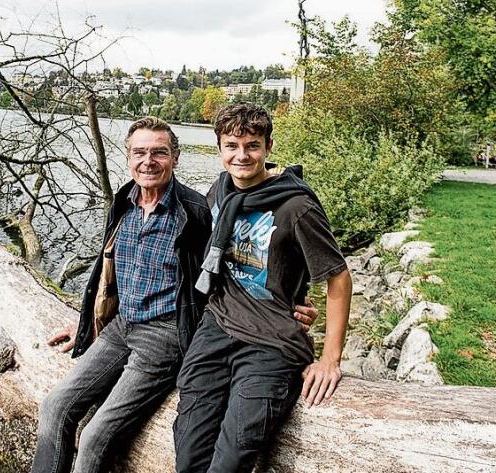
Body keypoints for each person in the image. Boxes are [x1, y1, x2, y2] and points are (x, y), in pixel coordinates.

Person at [30, 116, 321, 473]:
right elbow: (110, 273)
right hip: (121, 326)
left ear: (175, 157)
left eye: (159, 153)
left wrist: (292, 301)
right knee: (55, 406)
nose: (148, 161)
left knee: (94, 435)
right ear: (127, 156)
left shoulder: (197, 212)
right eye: (139, 152)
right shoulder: (124, 201)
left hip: (165, 336)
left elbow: (235, 267)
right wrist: (86, 323)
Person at [173, 103, 353, 473]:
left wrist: (330, 360)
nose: (242, 156)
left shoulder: (296, 206)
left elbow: (338, 276)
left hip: (271, 343)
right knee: (188, 454)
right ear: (219, 149)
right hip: (218, 327)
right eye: (232, 146)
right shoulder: (219, 190)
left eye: (252, 145)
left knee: (231, 459)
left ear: (268, 147)